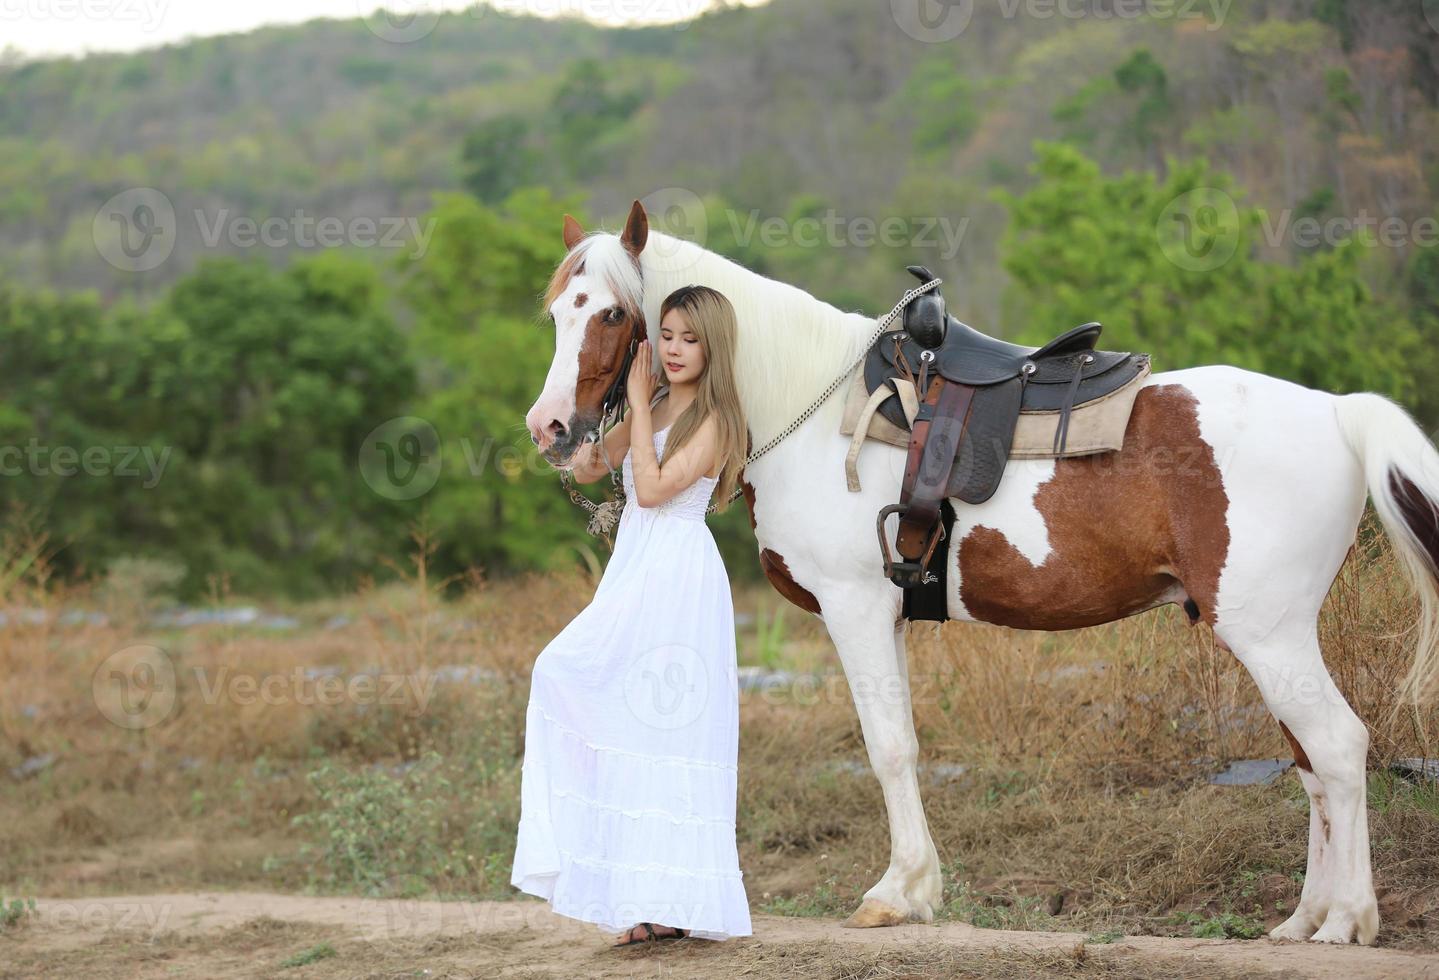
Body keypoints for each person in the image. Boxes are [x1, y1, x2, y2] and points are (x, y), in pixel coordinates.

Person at [510, 284, 753, 946]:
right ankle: (638, 897)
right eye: (666, 336)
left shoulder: (720, 420)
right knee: (595, 697)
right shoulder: (650, 406)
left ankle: (674, 901)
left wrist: (641, 412)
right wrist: (576, 441)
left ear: (713, 348)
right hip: (636, 568)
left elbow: (650, 490)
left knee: (664, 726)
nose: (673, 350)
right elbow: (599, 470)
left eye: (688, 339)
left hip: (676, 573)